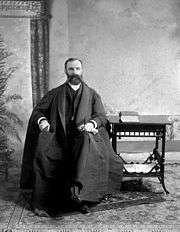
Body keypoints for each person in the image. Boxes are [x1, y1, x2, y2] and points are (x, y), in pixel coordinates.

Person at [20, 58, 123, 217]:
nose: (74, 72)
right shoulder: (55, 93)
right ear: (65, 71)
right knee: (45, 153)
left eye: (77, 69)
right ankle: (56, 201)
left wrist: (91, 124)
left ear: (82, 70)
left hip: (83, 139)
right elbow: (38, 112)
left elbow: (101, 116)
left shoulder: (92, 94)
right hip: (59, 139)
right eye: (71, 69)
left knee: (87, 151)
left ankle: (82, 199)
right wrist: (42, 121)